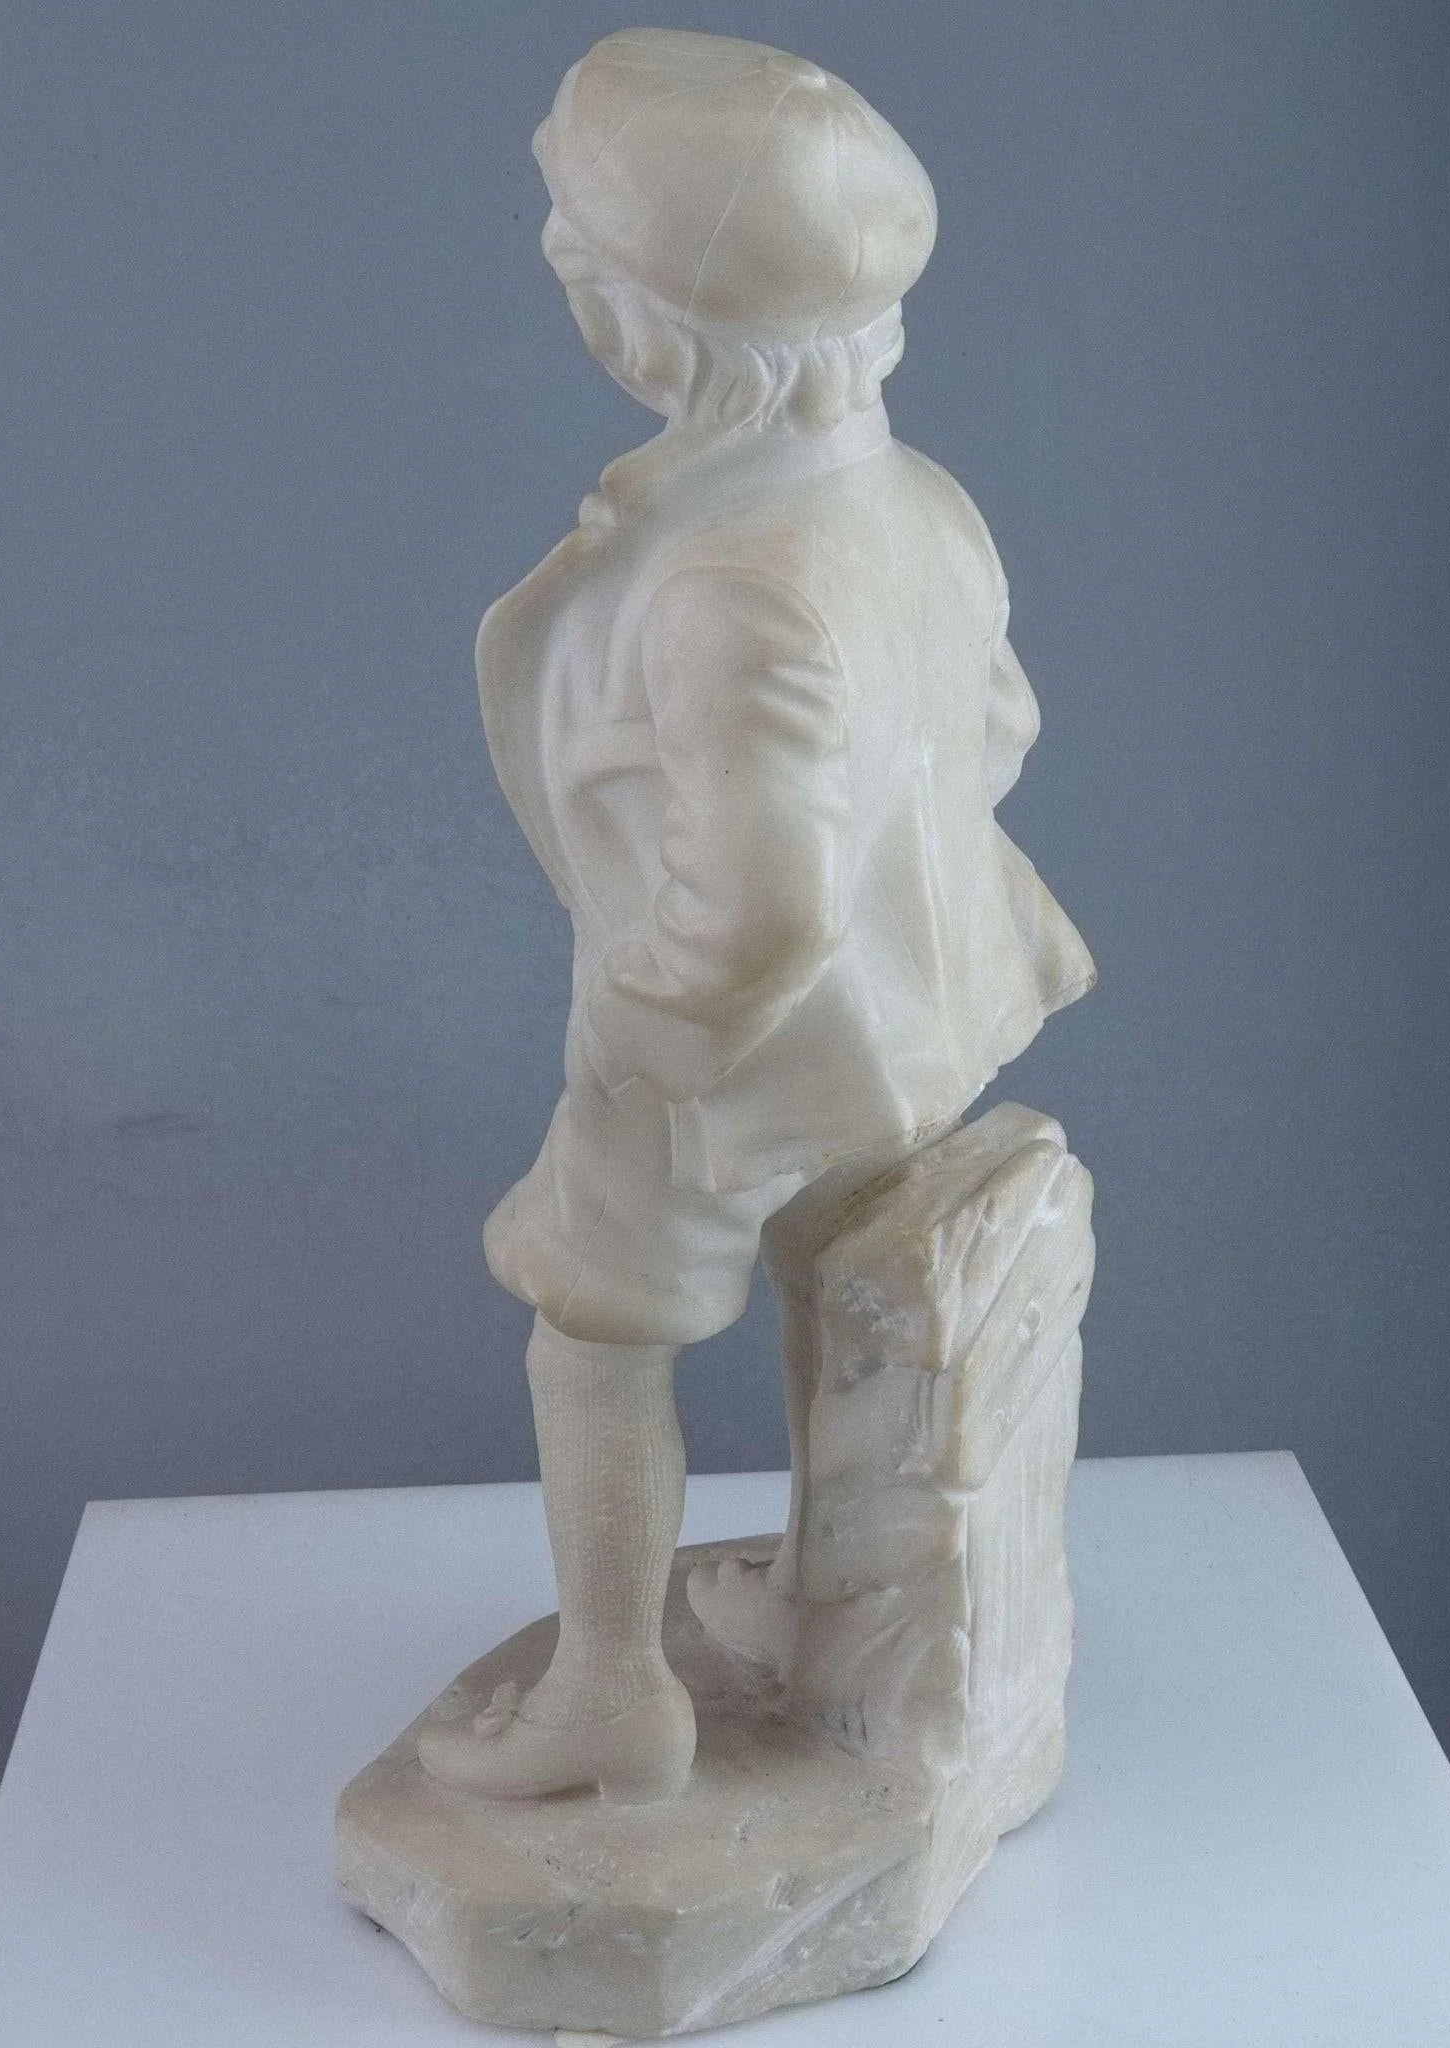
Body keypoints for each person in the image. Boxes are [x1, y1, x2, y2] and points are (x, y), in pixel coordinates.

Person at [418, 28, 1094, 1803]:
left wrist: (648, 1030)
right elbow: (1004, 724)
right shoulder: (917, 502)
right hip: (930, 1004)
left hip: (738, 1050)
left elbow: (766, 904)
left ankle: (609, 1689)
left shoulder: (725, 583)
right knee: (826, 1258)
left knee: (593, 1330)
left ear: (651, 329)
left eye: (578, 246)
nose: (555, 259)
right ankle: (814, 1592)